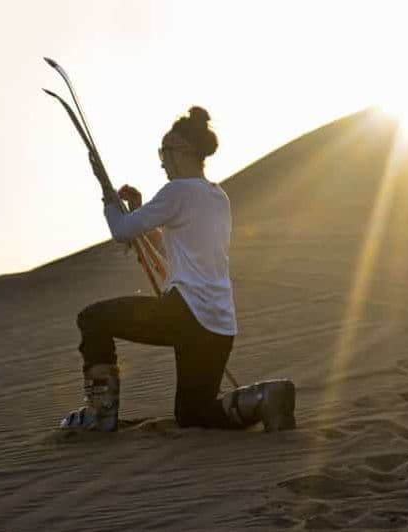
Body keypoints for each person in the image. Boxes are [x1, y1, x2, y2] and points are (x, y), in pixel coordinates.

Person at [59, 106, 295, 432]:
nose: (161, 160)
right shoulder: (217, 196)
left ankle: (100, 414)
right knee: (194, 414)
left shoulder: (178, 191)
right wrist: (142, 211)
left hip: (185, 313)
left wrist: (108, 200)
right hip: (219, 324)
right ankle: (264, 397)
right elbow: (171, 246)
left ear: (184, 150)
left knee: (92, 318)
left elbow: (121, 231)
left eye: (164, 151)